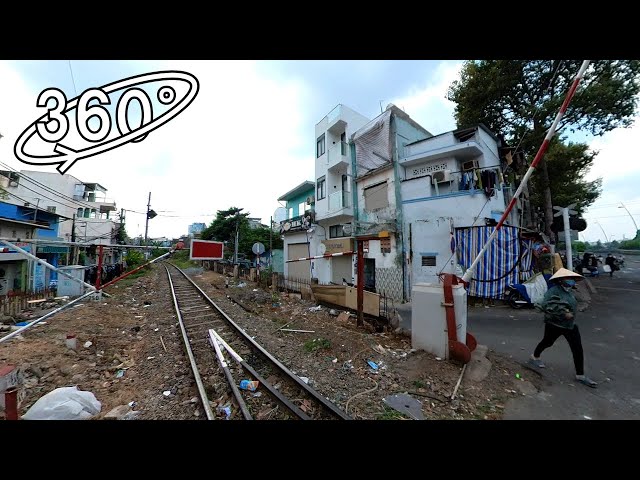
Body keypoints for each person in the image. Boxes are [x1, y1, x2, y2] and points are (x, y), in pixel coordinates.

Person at [528, 267, 597, 388]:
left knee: (577, 348)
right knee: (547, 342)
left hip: (570, 326)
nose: (570, 280)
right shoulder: (554, 291)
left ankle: (580, 375)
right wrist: (563, 312)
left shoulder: (570, 291)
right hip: (554, 324)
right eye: (568, 278)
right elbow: (546, 304)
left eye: (572, 278)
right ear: (560, 280)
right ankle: (534, 357)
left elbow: (578, 302)